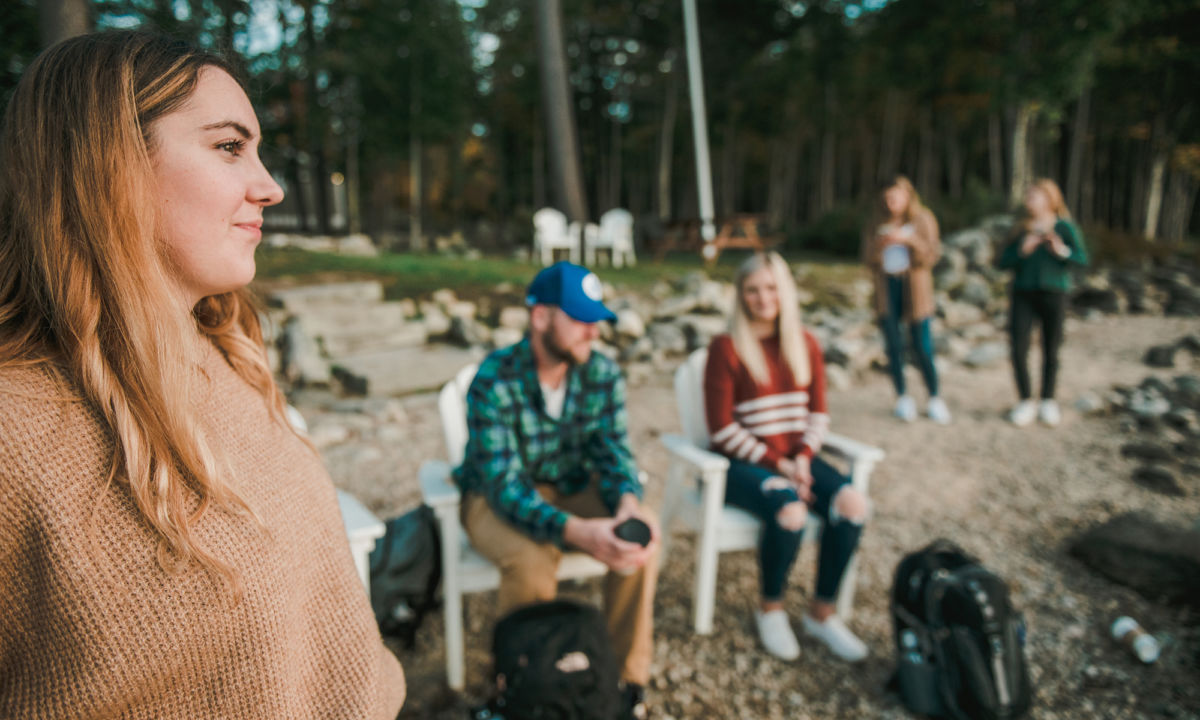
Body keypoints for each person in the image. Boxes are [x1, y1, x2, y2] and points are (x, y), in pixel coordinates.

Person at [0, 32, 404, 718]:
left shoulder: (227, 355)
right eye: (228, 146)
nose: (269, 186)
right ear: (107, 164)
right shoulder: (15, 428)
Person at [454, 261, 659, 718]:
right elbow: (505, 486)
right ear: (540, 316)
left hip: (568, 485)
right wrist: (579, 532)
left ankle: (624, 684)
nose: (594, 333)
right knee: (531, 558)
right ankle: (523, 689)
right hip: (492, 496)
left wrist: (628, 501)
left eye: (597, 321)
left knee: (642, 532)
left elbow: (613, 452)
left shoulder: (600, 373)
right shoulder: (494, 378)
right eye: (581, 320)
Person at [704, 252, 870, 663]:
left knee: (853, 504)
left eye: (772, 287)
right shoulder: (726, 348)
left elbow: (819, 414)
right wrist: (782, 465)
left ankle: (821, 613)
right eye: (753, 290)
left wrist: (804, 457)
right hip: (743, 464)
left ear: (785, 291)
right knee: (790, 510)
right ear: (741, 296)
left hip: (798, 456)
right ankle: (771, 607)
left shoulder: (805, 343)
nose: (764, 298)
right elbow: (721, 430)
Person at [996, 178, 1089, 427]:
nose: (1029, 201)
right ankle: (1025, 400)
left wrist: (1061, 251)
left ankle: (1048, 400)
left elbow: (1081, 259)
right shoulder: (1020, 229)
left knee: (1052, 347)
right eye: (1027, 196)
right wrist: (1022, 251)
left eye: (1033, 196)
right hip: (1023, 293)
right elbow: (1002, 262)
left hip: (1055, 293)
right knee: (1018, 347)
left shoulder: (1065, 228)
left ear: (1050, 199)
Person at [861, 175, 950, 424]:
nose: (891, 202)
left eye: (896, 197)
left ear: (908, 196)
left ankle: (934, 397)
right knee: (893, 345)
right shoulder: (876, 223)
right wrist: (881, 245)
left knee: (922, 345)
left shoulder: (922, 219)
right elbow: (867, 258)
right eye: (887, 198)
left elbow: (932, 255)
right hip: (887, 287)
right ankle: (902, 397)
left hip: (916, 289)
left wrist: (908, 240)